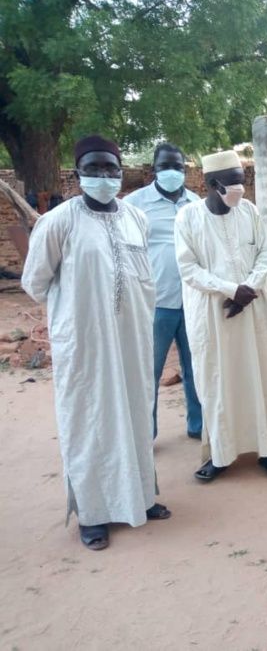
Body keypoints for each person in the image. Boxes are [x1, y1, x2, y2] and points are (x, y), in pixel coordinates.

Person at [21, 135, 170, 550]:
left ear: (121, 173)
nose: (104, 176)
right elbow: (35, 283)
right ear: (78, 173)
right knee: (90, 421)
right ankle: (93, 514)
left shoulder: (135, 218)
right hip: (85, 343)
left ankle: (141, 498)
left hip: (132, 339)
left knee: (135, 413)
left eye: (111, 169)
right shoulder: (59, 222)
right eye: (94, 169)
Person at [174, 150, 267, 482]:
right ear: (211, 184)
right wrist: (230, 290)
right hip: (213, 314)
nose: (240, 187)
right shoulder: (188, 217)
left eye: (241, 180)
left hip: (252, 309)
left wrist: (248, 288)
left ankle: (266, 449)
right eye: (232, 182)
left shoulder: (249, 211)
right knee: (217, 382)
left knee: (259, 377)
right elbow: (188, 269)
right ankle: (220, 455)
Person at [125, 142, 202, 440]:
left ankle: (198, 426)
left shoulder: (195, 203)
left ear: (185, 170)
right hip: (155, 302)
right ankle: (146, 433)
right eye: (165, 166)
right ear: (154, 170)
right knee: (150, 371)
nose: (172, 172)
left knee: (196, 368)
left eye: (177, 167)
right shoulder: (135, 204)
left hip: (193, 300)